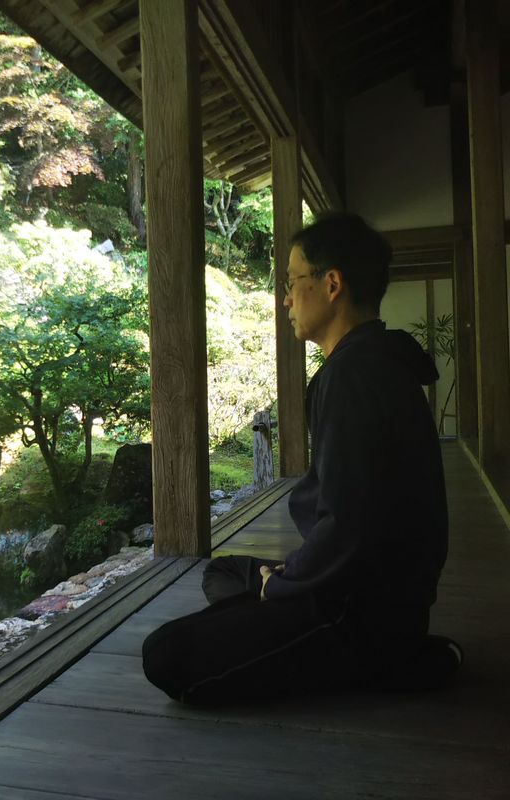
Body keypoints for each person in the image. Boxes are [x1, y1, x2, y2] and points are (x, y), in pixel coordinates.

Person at [142, 212, 462, 705]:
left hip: (361, 607)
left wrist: (286, 585)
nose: (286, 298)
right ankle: (300, 623)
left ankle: (388, 662)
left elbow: (350, 527)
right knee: (223, 573)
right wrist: (287, 579)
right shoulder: (373, 359)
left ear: (331, 284)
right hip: (376, 587)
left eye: (293, 281)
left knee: (165, 655)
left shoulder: (354, 377)